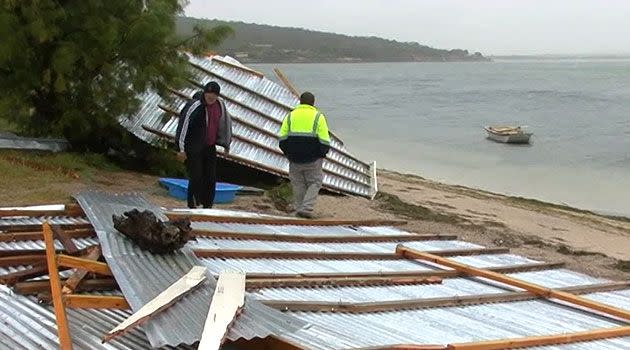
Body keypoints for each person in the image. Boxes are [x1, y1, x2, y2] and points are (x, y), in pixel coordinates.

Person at [176, 82, 232, 209]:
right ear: (204, 93)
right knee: (196, 176)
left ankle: (207, 206)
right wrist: (181, 149)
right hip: (194, 146)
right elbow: (183, 126)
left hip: (210, 146)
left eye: (214, 95)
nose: (210, 97)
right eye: (208, 94)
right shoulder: (195, 105)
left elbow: (225, 125)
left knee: (211, 177)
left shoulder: (220, 105)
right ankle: (192, 204)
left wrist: (226, 143)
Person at [278, 92, 330, 218]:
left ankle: (299, 208)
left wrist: (288, 153)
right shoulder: (318, 117)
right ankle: (306, 208)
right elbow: (324, 140)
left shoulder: (290, 116)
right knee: (315, 182)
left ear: (300, 102)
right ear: (313, 103)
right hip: (313, 158)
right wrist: (322, 153)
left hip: (294, 157)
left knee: (298, 183)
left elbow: (282, 139)